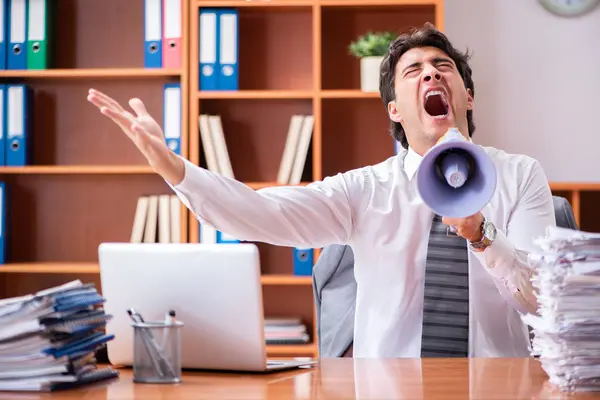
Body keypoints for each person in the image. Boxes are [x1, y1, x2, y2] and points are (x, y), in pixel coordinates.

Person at [87, 23, 555, 358]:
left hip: (497, 386)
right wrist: (175, 168)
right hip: (387, 390)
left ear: (466, 96)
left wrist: (481, 235)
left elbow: (542, 301)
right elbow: (259, 212)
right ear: (394, 110)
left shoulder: (520, 176)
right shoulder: (364, 190)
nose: (430, 74)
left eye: (442, 66)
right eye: (413, 71)